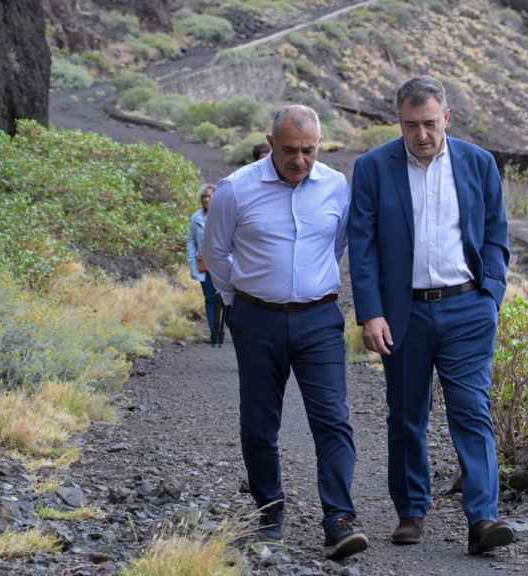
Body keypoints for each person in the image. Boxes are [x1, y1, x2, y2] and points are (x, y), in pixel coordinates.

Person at [348, 75, 513, 555]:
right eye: (410, 125)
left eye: (429, 123)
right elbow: (363, 247)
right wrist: (371, 313)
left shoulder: (478, 163)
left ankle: (483, 518)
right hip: (404, 313)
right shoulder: (374, 167)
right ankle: (411, 511)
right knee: (406, 415)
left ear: (447, 118)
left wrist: (491, 293)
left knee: (472, 412)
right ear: (398, 122)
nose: (421, 134)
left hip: (467, 307)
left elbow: (496, 234)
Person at [202, 105, 368, 560]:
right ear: (271, 143)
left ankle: (338, 519)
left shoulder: (336, 186)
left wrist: (309, 284)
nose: (300, 160)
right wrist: (239, 304)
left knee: (333, 418)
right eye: (291, 150)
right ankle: (269, 513)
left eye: (309, 150)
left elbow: (338, 245)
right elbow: (216, 254)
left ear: (320, 145)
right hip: (257, 319)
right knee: (259, 422)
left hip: (319, 318)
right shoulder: (236, 190)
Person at [187, 183, 222, 346]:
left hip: (223, 265)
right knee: (210, 299)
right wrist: (192, 263)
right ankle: (213, 331)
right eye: (204, 196)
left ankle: (222, 326)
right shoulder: (196, 218)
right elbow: (191, 241)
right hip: (204, 264)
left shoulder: (224, 216)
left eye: (210, 196)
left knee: (225, 300)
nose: (207, 199)